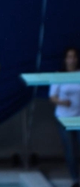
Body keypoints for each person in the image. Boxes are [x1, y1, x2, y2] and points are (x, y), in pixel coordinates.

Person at [49, 47, 80, 187]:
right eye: (69, 56)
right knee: (70, 149)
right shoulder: (58, 75)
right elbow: (52, 97)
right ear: (65, 59)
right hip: (64, 117)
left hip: (79, 117)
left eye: (74, 56)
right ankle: (75, 179)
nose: (72, 59)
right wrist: (63, 102)